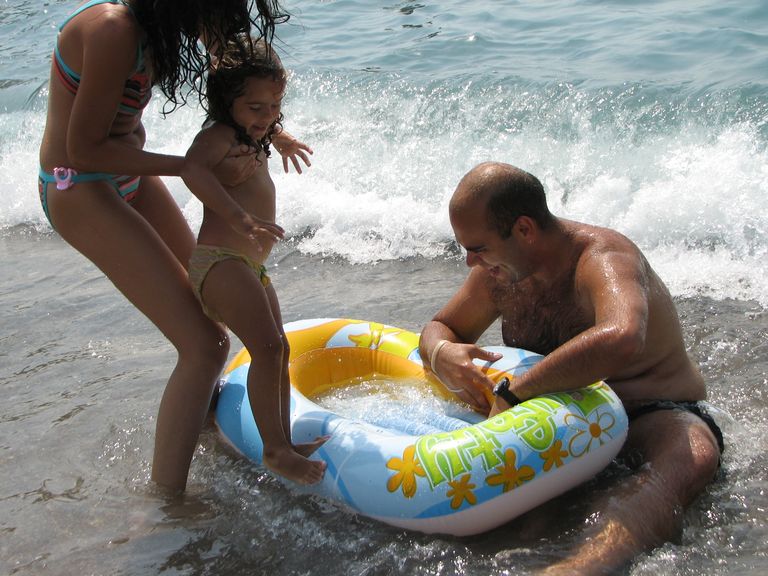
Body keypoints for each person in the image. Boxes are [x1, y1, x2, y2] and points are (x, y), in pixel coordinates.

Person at [37, 0, 311, 493]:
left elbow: (237, 85)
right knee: (205, 345)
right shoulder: (114, 29)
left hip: (129, 175)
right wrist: (187, 167)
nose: (222, 25)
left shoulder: (170, 28)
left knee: (212, 303)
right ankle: (166, 500)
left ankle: (199, 432)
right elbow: (84, 149)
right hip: (79, 185)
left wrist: (276, 131)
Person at [419, 162, 724, 575]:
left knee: (694, 457)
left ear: (524, 229)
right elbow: (442, 326)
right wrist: (441, 352)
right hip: (556, 417)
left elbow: (622, 336)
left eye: (478, 248)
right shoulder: (498, 273)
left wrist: (516, 391)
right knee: (529, 523)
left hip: (648, 411)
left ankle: (578, 568)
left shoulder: (603, 258)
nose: (471, 261)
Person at [181, 38, 327, 485]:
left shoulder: (251, 132)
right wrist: (238, 217)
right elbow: (191, 169)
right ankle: (276, 450)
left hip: (249, 267)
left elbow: (265, 125)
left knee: (278, 349)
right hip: (220, 262)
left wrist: (281, 138)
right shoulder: (219, 136)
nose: (267, 116)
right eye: (256, 108)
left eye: (275, 106)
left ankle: (282, 441)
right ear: (227, 102)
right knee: (267, 348)